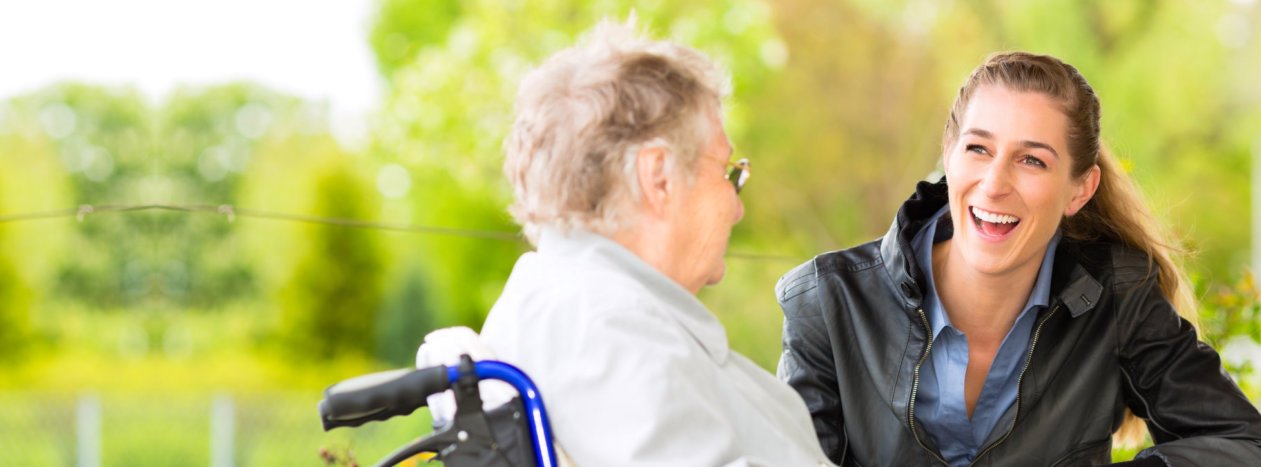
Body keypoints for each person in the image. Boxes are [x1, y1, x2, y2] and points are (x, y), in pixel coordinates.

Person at [776, 51, 1261, 466]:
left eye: (1032, 160)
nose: (994, 183)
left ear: (1080, 189)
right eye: (978, 148)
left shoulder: (1118, 297)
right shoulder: (828, 302)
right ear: (949, 154)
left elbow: (1244, 443)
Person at [475, 20, 832, 466]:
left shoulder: (582, 309)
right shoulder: (600, 331)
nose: (737, 207)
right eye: (727, 172)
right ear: (658, 176)